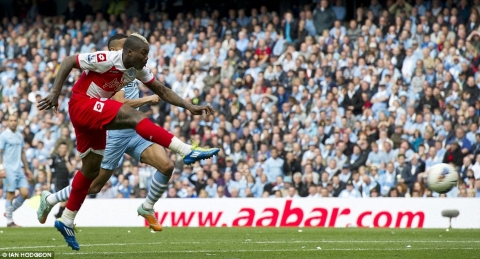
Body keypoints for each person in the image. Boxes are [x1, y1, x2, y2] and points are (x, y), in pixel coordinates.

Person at [37, 33, 219, 250]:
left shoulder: (137, 70)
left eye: (148, 54)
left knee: (91, 171)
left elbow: (162, 90)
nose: (147, 58)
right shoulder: (106, 59)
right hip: (83, 104)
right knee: (135, 118)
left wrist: (189, 106)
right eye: (144, 54)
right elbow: (68, 61)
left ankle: (66, 219)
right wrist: (55, 93)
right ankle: (186, 150)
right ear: (129, 52)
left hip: (95, 116)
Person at [37, 34, 172, 232]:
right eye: (120, 48)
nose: (124, 50)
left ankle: (147, 207)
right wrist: (147, 100)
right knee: (93, 186)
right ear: (112, 51)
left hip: (136, 131)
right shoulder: (112, 70)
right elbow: (118, 105)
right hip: (116, 132)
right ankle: (50, 199)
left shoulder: (134, 69)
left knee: (166, 166)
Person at [0, 114, 33, 227]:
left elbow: (22, 152)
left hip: (19, 169)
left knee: (25, 193)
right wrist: (1, 168)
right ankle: (9, 222)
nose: (13, 122)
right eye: (11, 120)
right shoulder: (3, 136)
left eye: (15, 120)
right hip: (8, 169)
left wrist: (27, 168)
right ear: (8, 122)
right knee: (10, 194)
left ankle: (8, 212)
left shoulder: (19, 135)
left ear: (17, 122)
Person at [49, 142, 74, 218]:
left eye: (65, 148)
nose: (64, 150)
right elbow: (49, 170)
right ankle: (59, 215)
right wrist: (48, 182)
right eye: (62, 148)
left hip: (66, 181)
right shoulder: (54, 158)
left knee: (67, 199)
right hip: (58, 181)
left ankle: (59, 215)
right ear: (59, 149)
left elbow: (71, 171)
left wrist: (66, 160)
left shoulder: (68, 158)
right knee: (64, 198)